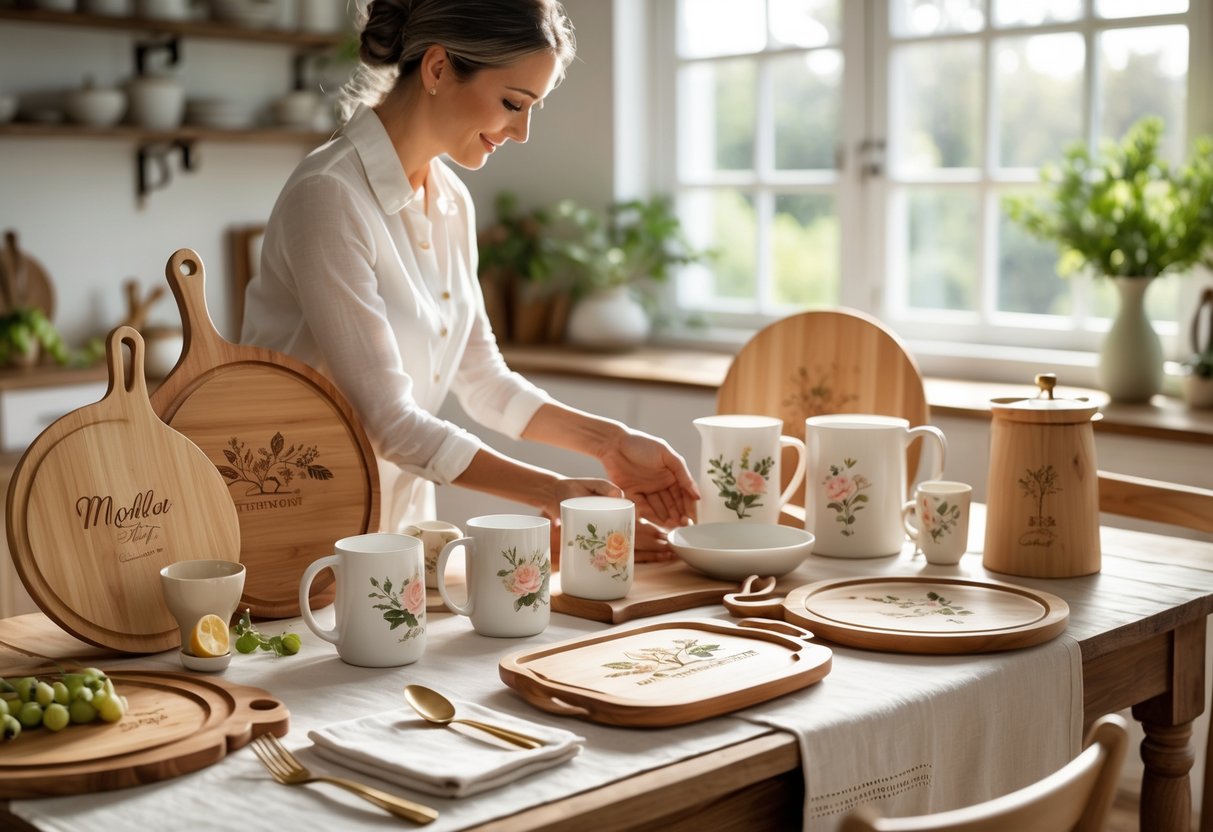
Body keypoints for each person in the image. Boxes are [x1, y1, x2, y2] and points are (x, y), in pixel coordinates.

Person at [240, 0, 698, 559]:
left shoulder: (451, 200)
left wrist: (611, 443)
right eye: (513, 103)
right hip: (298, 531)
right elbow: (390, 423)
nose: (523, 132)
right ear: (437, 69)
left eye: (534, 108)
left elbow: (484, 380)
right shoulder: (330, 195)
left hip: (397, 535)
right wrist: (553, 492)